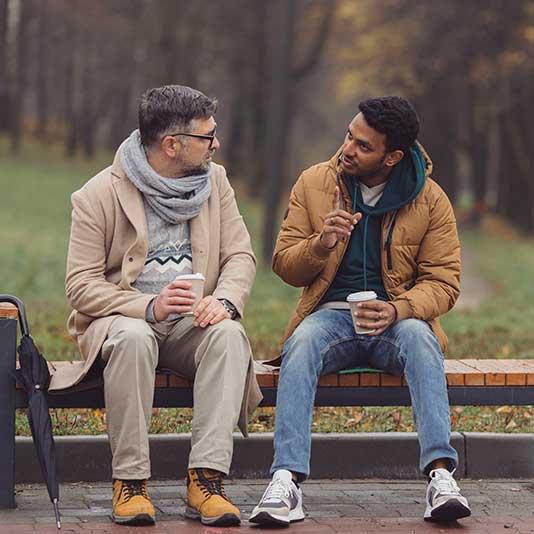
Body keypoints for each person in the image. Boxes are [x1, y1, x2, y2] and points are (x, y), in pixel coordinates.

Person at [250, 96, 471, 526]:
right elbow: (283, 265)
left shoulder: (430, 199)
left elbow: (444, 282)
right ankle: (285, 481)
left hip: (397, 321)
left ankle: (441, 478)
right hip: (330, 317)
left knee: (422, 340)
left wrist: (397, 309)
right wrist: (321, 244)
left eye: (363, 146)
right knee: (302, 343)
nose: (348, 148)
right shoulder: (315, 183)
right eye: (349, 135)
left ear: (393, 157)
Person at [58, 84, 261, 527]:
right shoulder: (97, 195)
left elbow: (240, 256)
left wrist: (224, 300)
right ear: (173, 145)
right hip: (126, 323)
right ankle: (129, 483)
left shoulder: (216, 182)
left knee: (228, 335)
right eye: (208, 137)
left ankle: (206, 479)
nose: (216, 144)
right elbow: (80, 286)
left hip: (192, 325)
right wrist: (149, 305)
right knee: (133, 339)